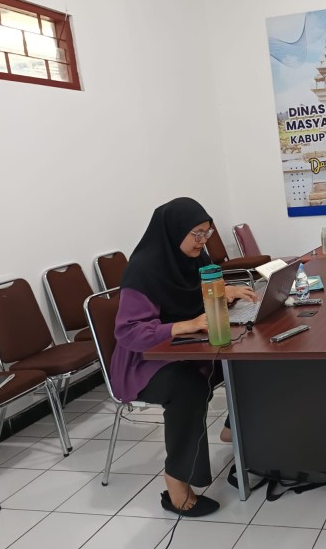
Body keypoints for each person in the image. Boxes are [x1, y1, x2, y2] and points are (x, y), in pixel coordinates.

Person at [112, 197, 257, 518]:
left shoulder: (196, 257)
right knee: (188, 388)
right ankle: (176, 484)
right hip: (144, 363)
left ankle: (233, 428)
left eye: (207, 232)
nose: (203, 240)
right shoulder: (144, 270)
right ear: (174, 231)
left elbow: (203, 292)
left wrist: (226, 292)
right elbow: (129, 332)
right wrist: (186, 325)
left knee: (248, 358)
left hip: (188, 349)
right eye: (196, 233)